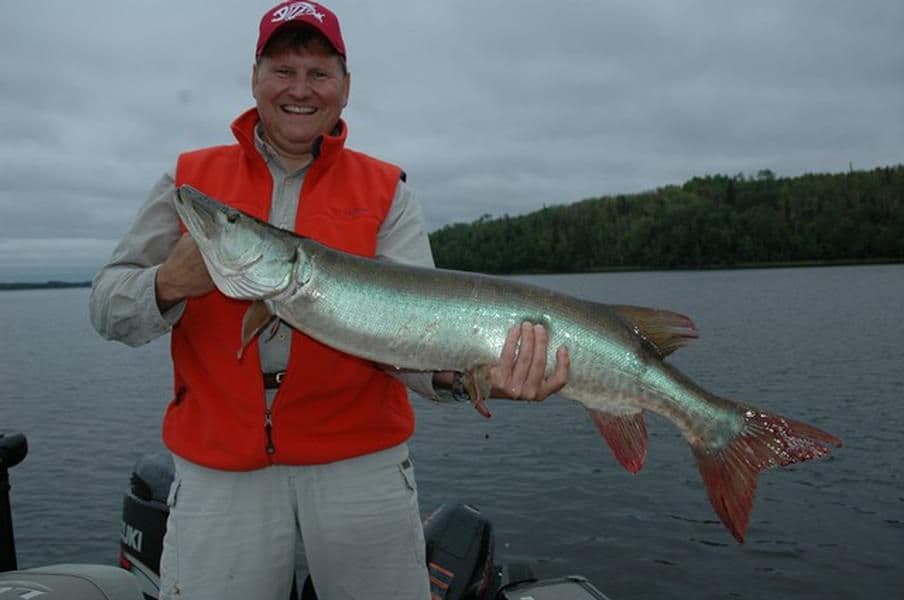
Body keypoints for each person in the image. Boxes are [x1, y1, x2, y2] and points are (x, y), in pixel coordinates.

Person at [89, 2, 569, 599]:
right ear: (255, 77)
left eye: (319, 74)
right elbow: (106, 305)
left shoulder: (385, 190)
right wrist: (167, 283)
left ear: (345, 88)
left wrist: (468, 377)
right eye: (283, 69)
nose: (300, 89)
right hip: (218, 463)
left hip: (359, 462)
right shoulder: (189, 182)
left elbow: (417, 343)